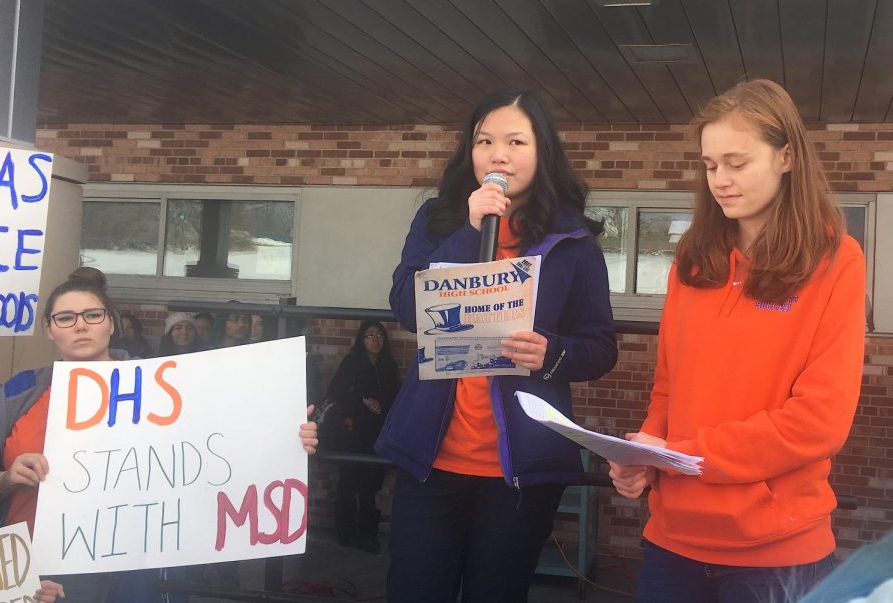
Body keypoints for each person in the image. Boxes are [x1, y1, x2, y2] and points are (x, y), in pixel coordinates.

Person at [607, 79, 866, 603]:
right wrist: (645, 452)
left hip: (776, 551)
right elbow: (668, 387)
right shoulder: (692, 259)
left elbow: (818, 423)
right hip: (671, 540)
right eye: (709, 165)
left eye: (737, 162)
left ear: (786, 156)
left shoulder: (837, 260)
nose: (720, 180)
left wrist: (679, 454)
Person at [375, 89, 617, 602]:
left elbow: (599, 346)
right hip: (431, 458)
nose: (497, 154)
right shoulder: (438, 220)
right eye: (483, 140)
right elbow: (405, 307)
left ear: (543, 151)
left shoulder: (572, 241)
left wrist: (551, 354)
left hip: (519, 471)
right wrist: (467, 231)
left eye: (514, 141)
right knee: (414, 588)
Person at [0, 273, 320, 601]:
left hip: (135, 570)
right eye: (65, 318)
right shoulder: (17, 394)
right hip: (30, 567)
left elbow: (221, 446)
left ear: (111, 323)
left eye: (92, 315)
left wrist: (286, 438)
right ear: (49, 329)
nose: (80, 326)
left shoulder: (164, 387)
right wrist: (5, 479)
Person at [324, 321, 400, 553]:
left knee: (370, 486)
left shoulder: (388, 365)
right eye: (369, 335)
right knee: (348, 483)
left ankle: (367, 533)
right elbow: (335, 393)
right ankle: (346, 533)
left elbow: (396, 397)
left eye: (379, 335)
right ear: (361, 339)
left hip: (377, 432)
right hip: (353, 432)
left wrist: (381, 405)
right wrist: (361, 401)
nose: (375, 340)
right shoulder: (352, 363)